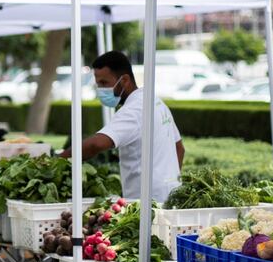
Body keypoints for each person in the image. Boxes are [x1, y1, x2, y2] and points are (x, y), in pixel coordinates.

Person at [62, 51, 184, 203]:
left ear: (124, 80)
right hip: (170, 196)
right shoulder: (155, 101)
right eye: (98, 84)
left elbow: (96, 144)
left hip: (148, 202)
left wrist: (58, 160)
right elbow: (179, 147)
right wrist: (170, 181)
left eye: (104, 83)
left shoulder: (134, 110)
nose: (100, 89)